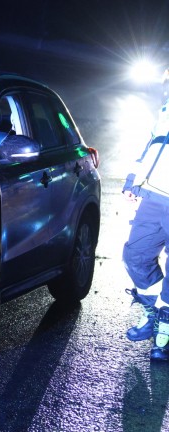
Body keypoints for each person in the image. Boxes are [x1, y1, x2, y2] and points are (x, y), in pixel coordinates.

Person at [123, 98, 169, 361]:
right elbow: (149, 148)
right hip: (152, 196)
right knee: (135, 255)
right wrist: (133, 181)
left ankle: (165, 328)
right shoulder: (165, 108)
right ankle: (157, 310)